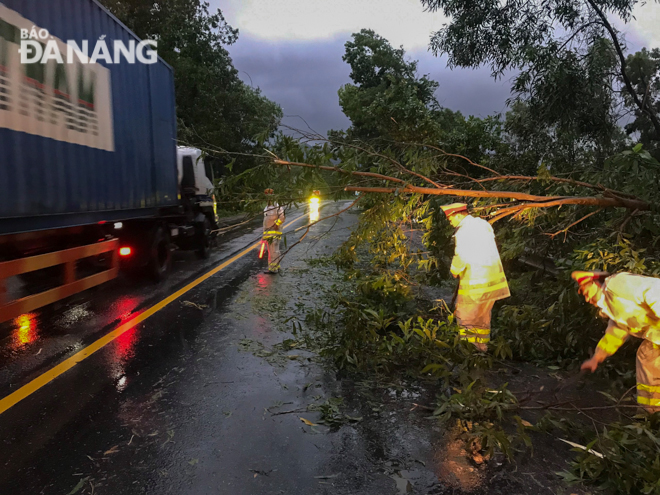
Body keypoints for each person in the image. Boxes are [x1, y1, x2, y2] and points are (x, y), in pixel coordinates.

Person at [573, 270, 660, 411]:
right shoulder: (613, 307)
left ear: (594, 283)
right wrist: (596, 359)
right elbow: (615, 334)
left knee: (647, 357)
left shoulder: (617, 284)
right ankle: (650, 415)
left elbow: (654, 290)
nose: (587, 299)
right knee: (647, 357)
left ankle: (649, 414)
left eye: (585, 291)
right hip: (656, 339)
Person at [442, 203, 510, 351]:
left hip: (475, 283)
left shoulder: (464, 231)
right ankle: (481, 348)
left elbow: (461, 255)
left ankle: (468, 349)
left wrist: (454, 270)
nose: (450, 222)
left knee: (466, 317)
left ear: (458, 215)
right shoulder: (482, 225)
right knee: (482, 317)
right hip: (492, 283)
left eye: (450, 219)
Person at [263, 189, 285, 274]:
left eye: (269, 195)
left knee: (273, 251)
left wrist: (276, 224)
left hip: (274, 233)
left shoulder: (276, 206)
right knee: (274, 250)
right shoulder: (267, 207)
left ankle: (273, 269)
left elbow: (282, 217)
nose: (268, 197)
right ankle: (276, 266)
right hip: (269, 233)